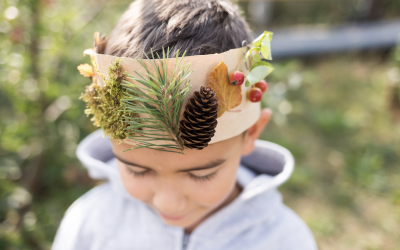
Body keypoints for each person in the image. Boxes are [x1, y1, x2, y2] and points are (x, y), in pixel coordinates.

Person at [52, 0, 318, 249]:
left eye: (201, 174)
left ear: (252, 133)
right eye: (137, 171)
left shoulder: (284, 240)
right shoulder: (90, 225)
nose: (167, 202)